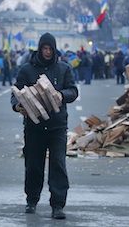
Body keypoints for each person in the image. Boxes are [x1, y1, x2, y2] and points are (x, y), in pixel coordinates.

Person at [11, 32, 78, 220]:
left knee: (58, 164)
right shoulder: (27, 70)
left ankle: (57, 205)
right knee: (33, 165)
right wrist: (18, 106)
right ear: (39, 49)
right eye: (44, 48)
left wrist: (62, 95)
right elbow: (15, 94)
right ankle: (31, 200)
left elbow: (73, 90)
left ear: (54, 49)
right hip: (34, 127)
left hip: (57, 126)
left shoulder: (64, 69)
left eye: (50, 49)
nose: (47, 52)